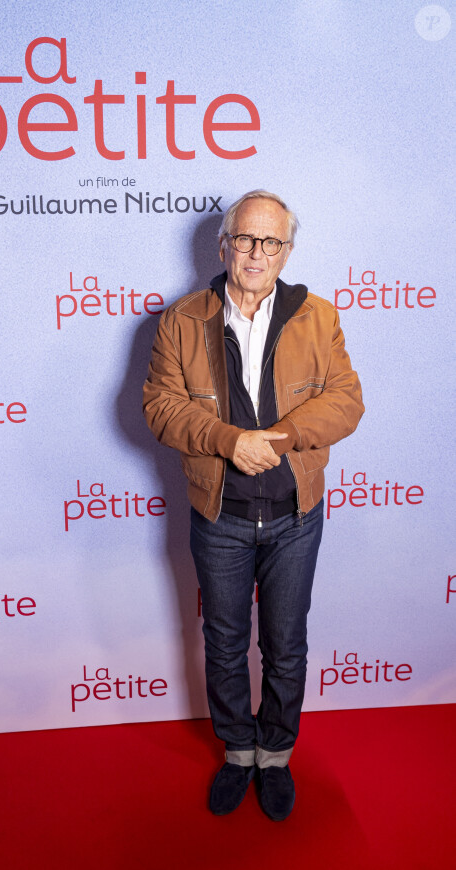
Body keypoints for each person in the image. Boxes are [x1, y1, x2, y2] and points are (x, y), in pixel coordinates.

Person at [143, 190, 363, 820]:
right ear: (224, 245)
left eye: (271, 242)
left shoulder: (317, 316)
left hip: (296, 516)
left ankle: (276, 755)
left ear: (286, 251)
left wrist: (284, 438)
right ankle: (238, 751)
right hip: (221, 517)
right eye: (245, 239)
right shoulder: (182, 319)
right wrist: (228, 442)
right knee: (224, 641)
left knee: (286, 644)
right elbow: (160, 405)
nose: (256, 253)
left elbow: (346, 401)